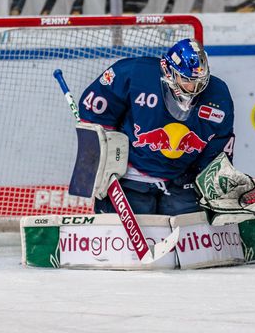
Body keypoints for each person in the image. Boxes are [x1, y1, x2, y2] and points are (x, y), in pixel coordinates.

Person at [77, 38, 235, 215]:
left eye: (200, 81)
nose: (194, 87)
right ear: (168, 70)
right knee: (114, 232)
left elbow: (219, 145)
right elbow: (95, 114)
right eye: (187, 80)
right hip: (129, 178)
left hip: (182, 181)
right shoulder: (134, 74)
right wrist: (97, 164)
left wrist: (214, 185)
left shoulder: (218, 95)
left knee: (192, 231)